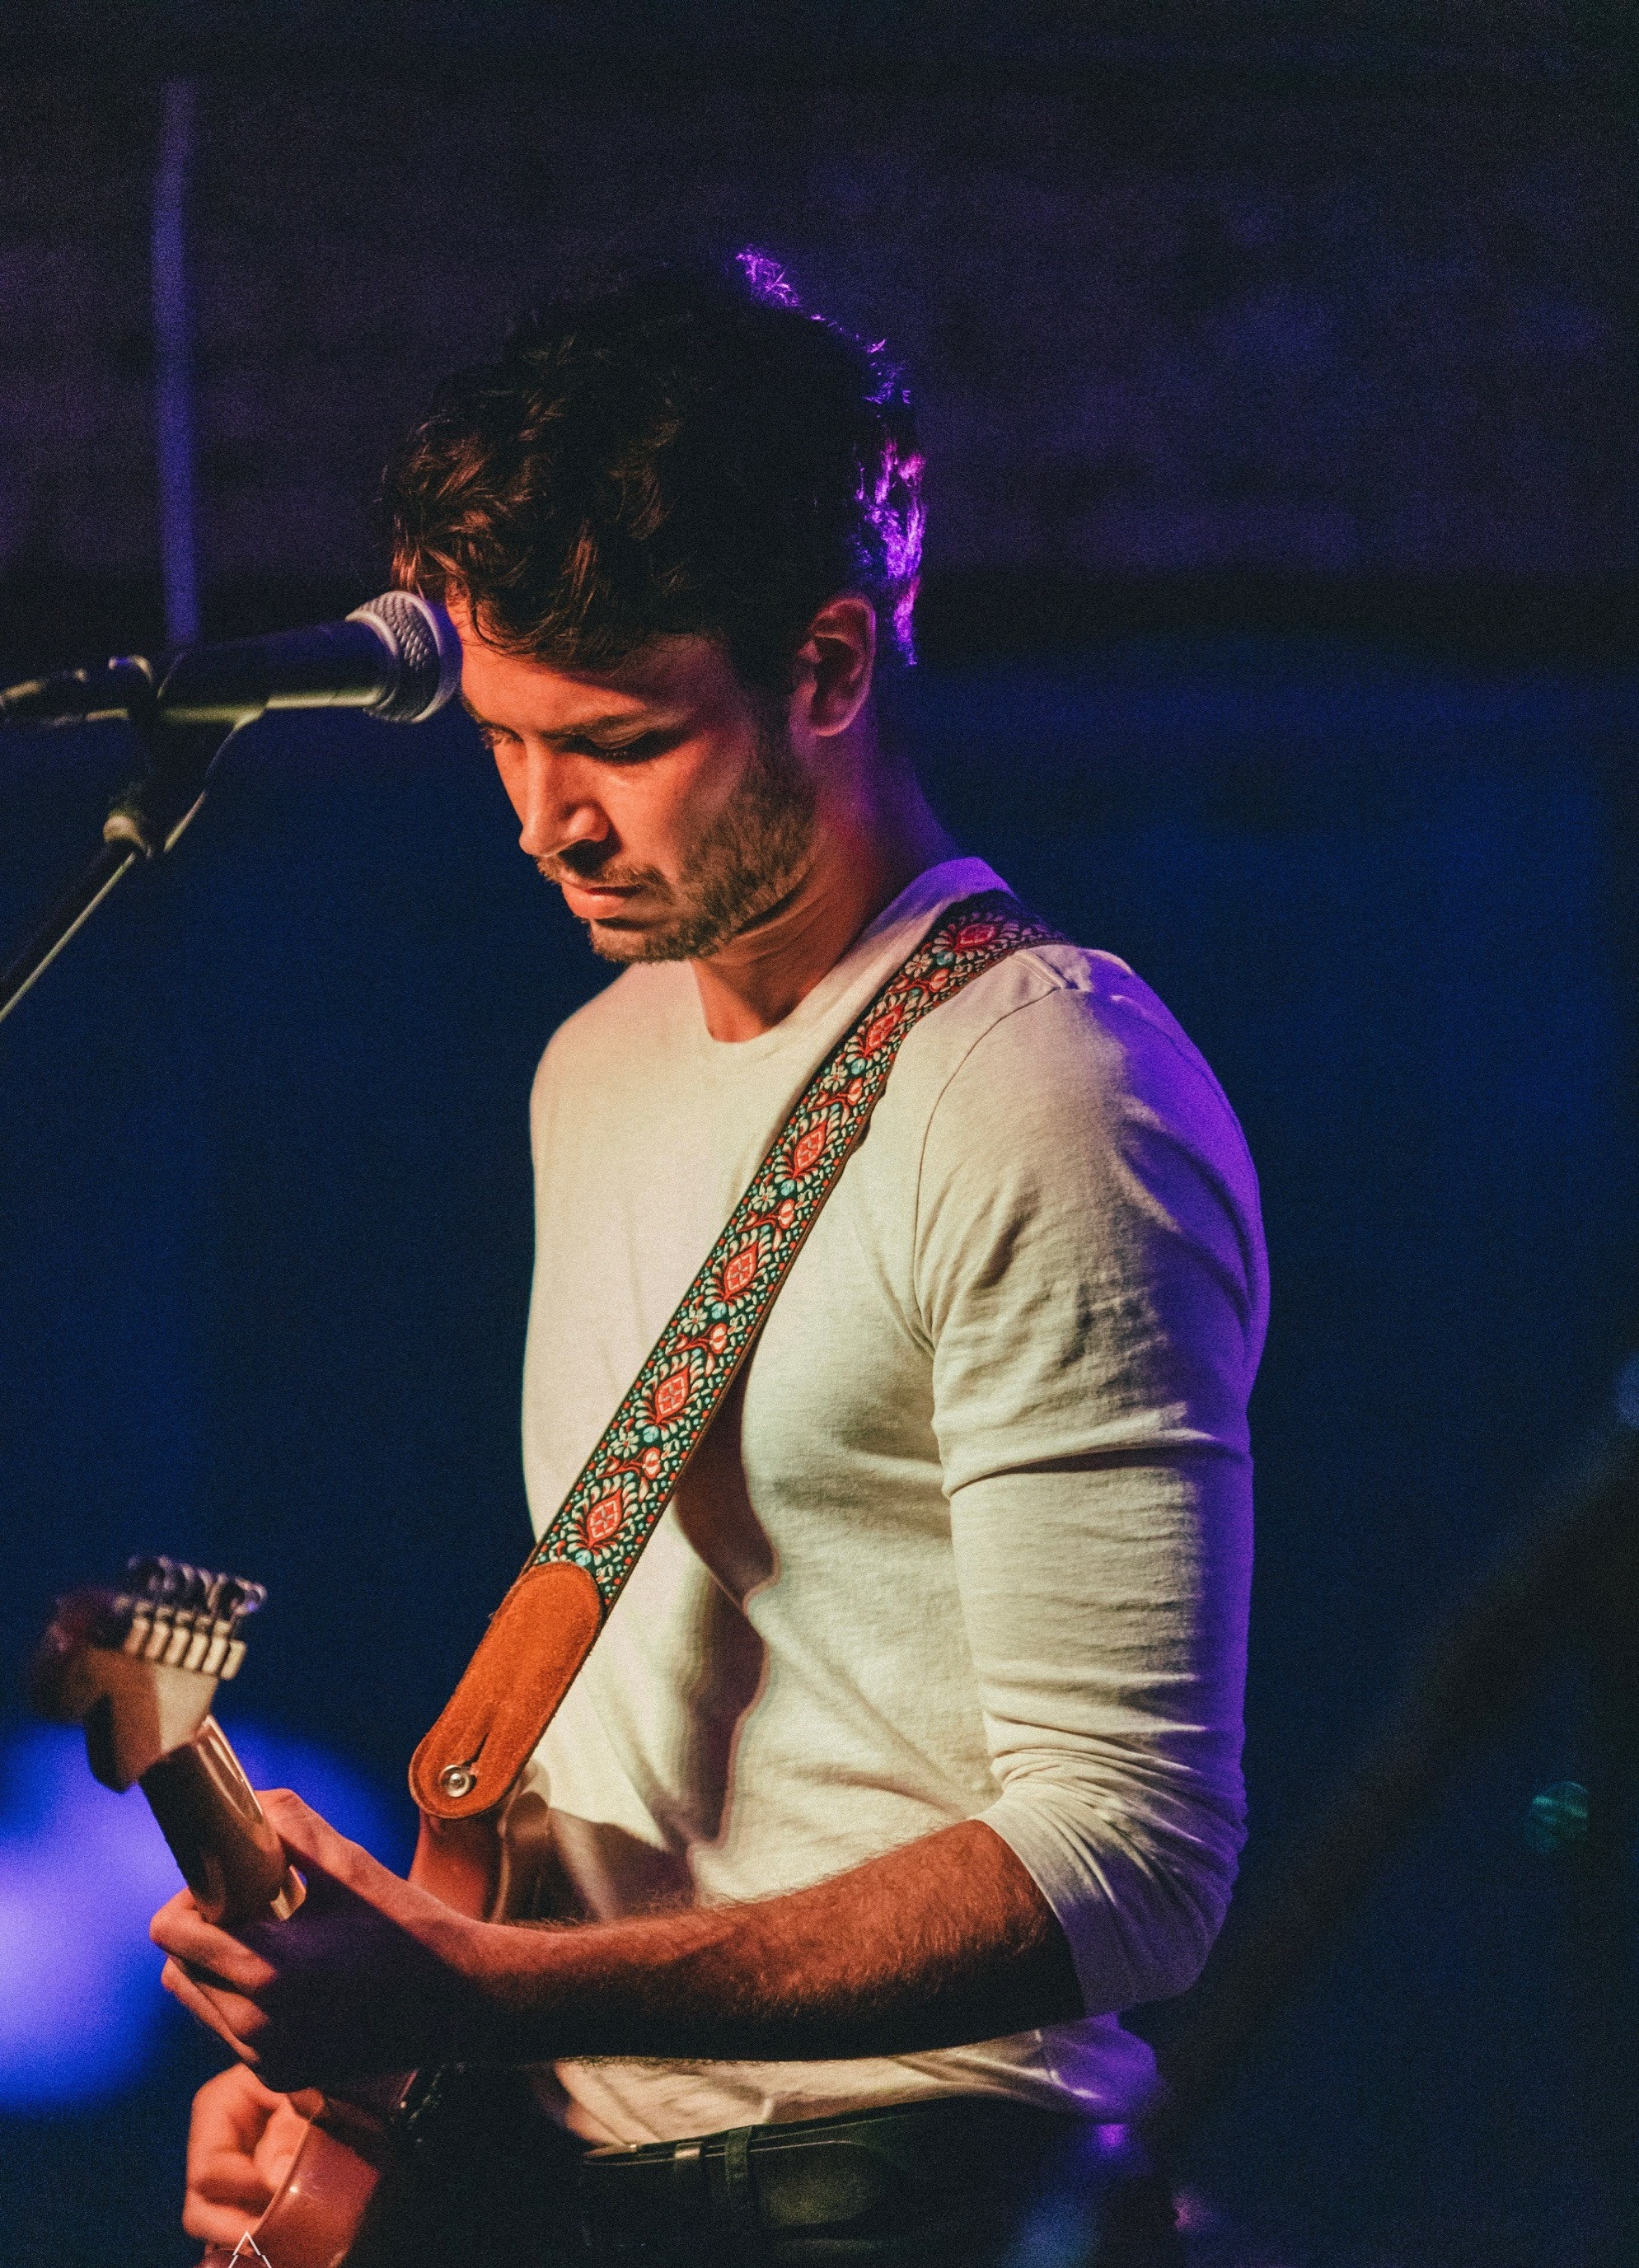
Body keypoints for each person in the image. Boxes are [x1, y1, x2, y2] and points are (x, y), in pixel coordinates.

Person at [151, 254, 1267, 2267]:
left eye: (617, 739)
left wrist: (475, 1998)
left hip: (915, 2186)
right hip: (591, 2176)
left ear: (827, 667)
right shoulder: (593, 1064)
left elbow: (1130, 1861)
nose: (540, 823)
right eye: (501, 739)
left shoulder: (1036, 1091)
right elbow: (646, 1788)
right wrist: (364, 2072)